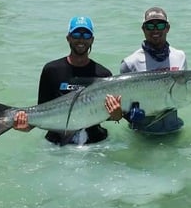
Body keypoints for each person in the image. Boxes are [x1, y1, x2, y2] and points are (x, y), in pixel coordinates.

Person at [13, 16, 123, 145]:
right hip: (58, 144)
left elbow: (110, 115)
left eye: (86, 35)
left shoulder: (104, 74)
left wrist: (117, 115)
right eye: (76, 34)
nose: (81, 39)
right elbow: (43, 111)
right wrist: (26, 126)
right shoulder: (51, 70)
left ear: (92, 40)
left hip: (95, 143)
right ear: (68, 38)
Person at [120, 7, 187, 134]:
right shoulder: (130, 63)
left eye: (160, 25)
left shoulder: (180, 57)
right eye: (150, 26)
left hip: (174, 131)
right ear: (143, 29)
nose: (155, 30)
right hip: (143, 135)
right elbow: (121, 105)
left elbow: (182, 96)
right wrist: (129, 116)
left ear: (167, 28)